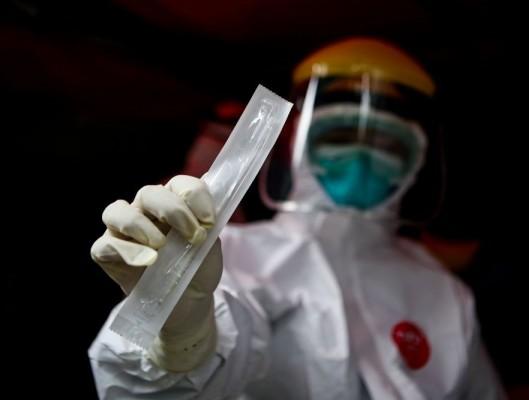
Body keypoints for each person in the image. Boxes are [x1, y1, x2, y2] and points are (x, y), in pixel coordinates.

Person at [89, 37, 505, 399]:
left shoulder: (443, 292)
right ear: (299, 148)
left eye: (387, 143)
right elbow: (156, 391)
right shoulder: (236, 251)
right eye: (339, 135)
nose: (362, 157)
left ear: (415, 160)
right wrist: (179, 337)